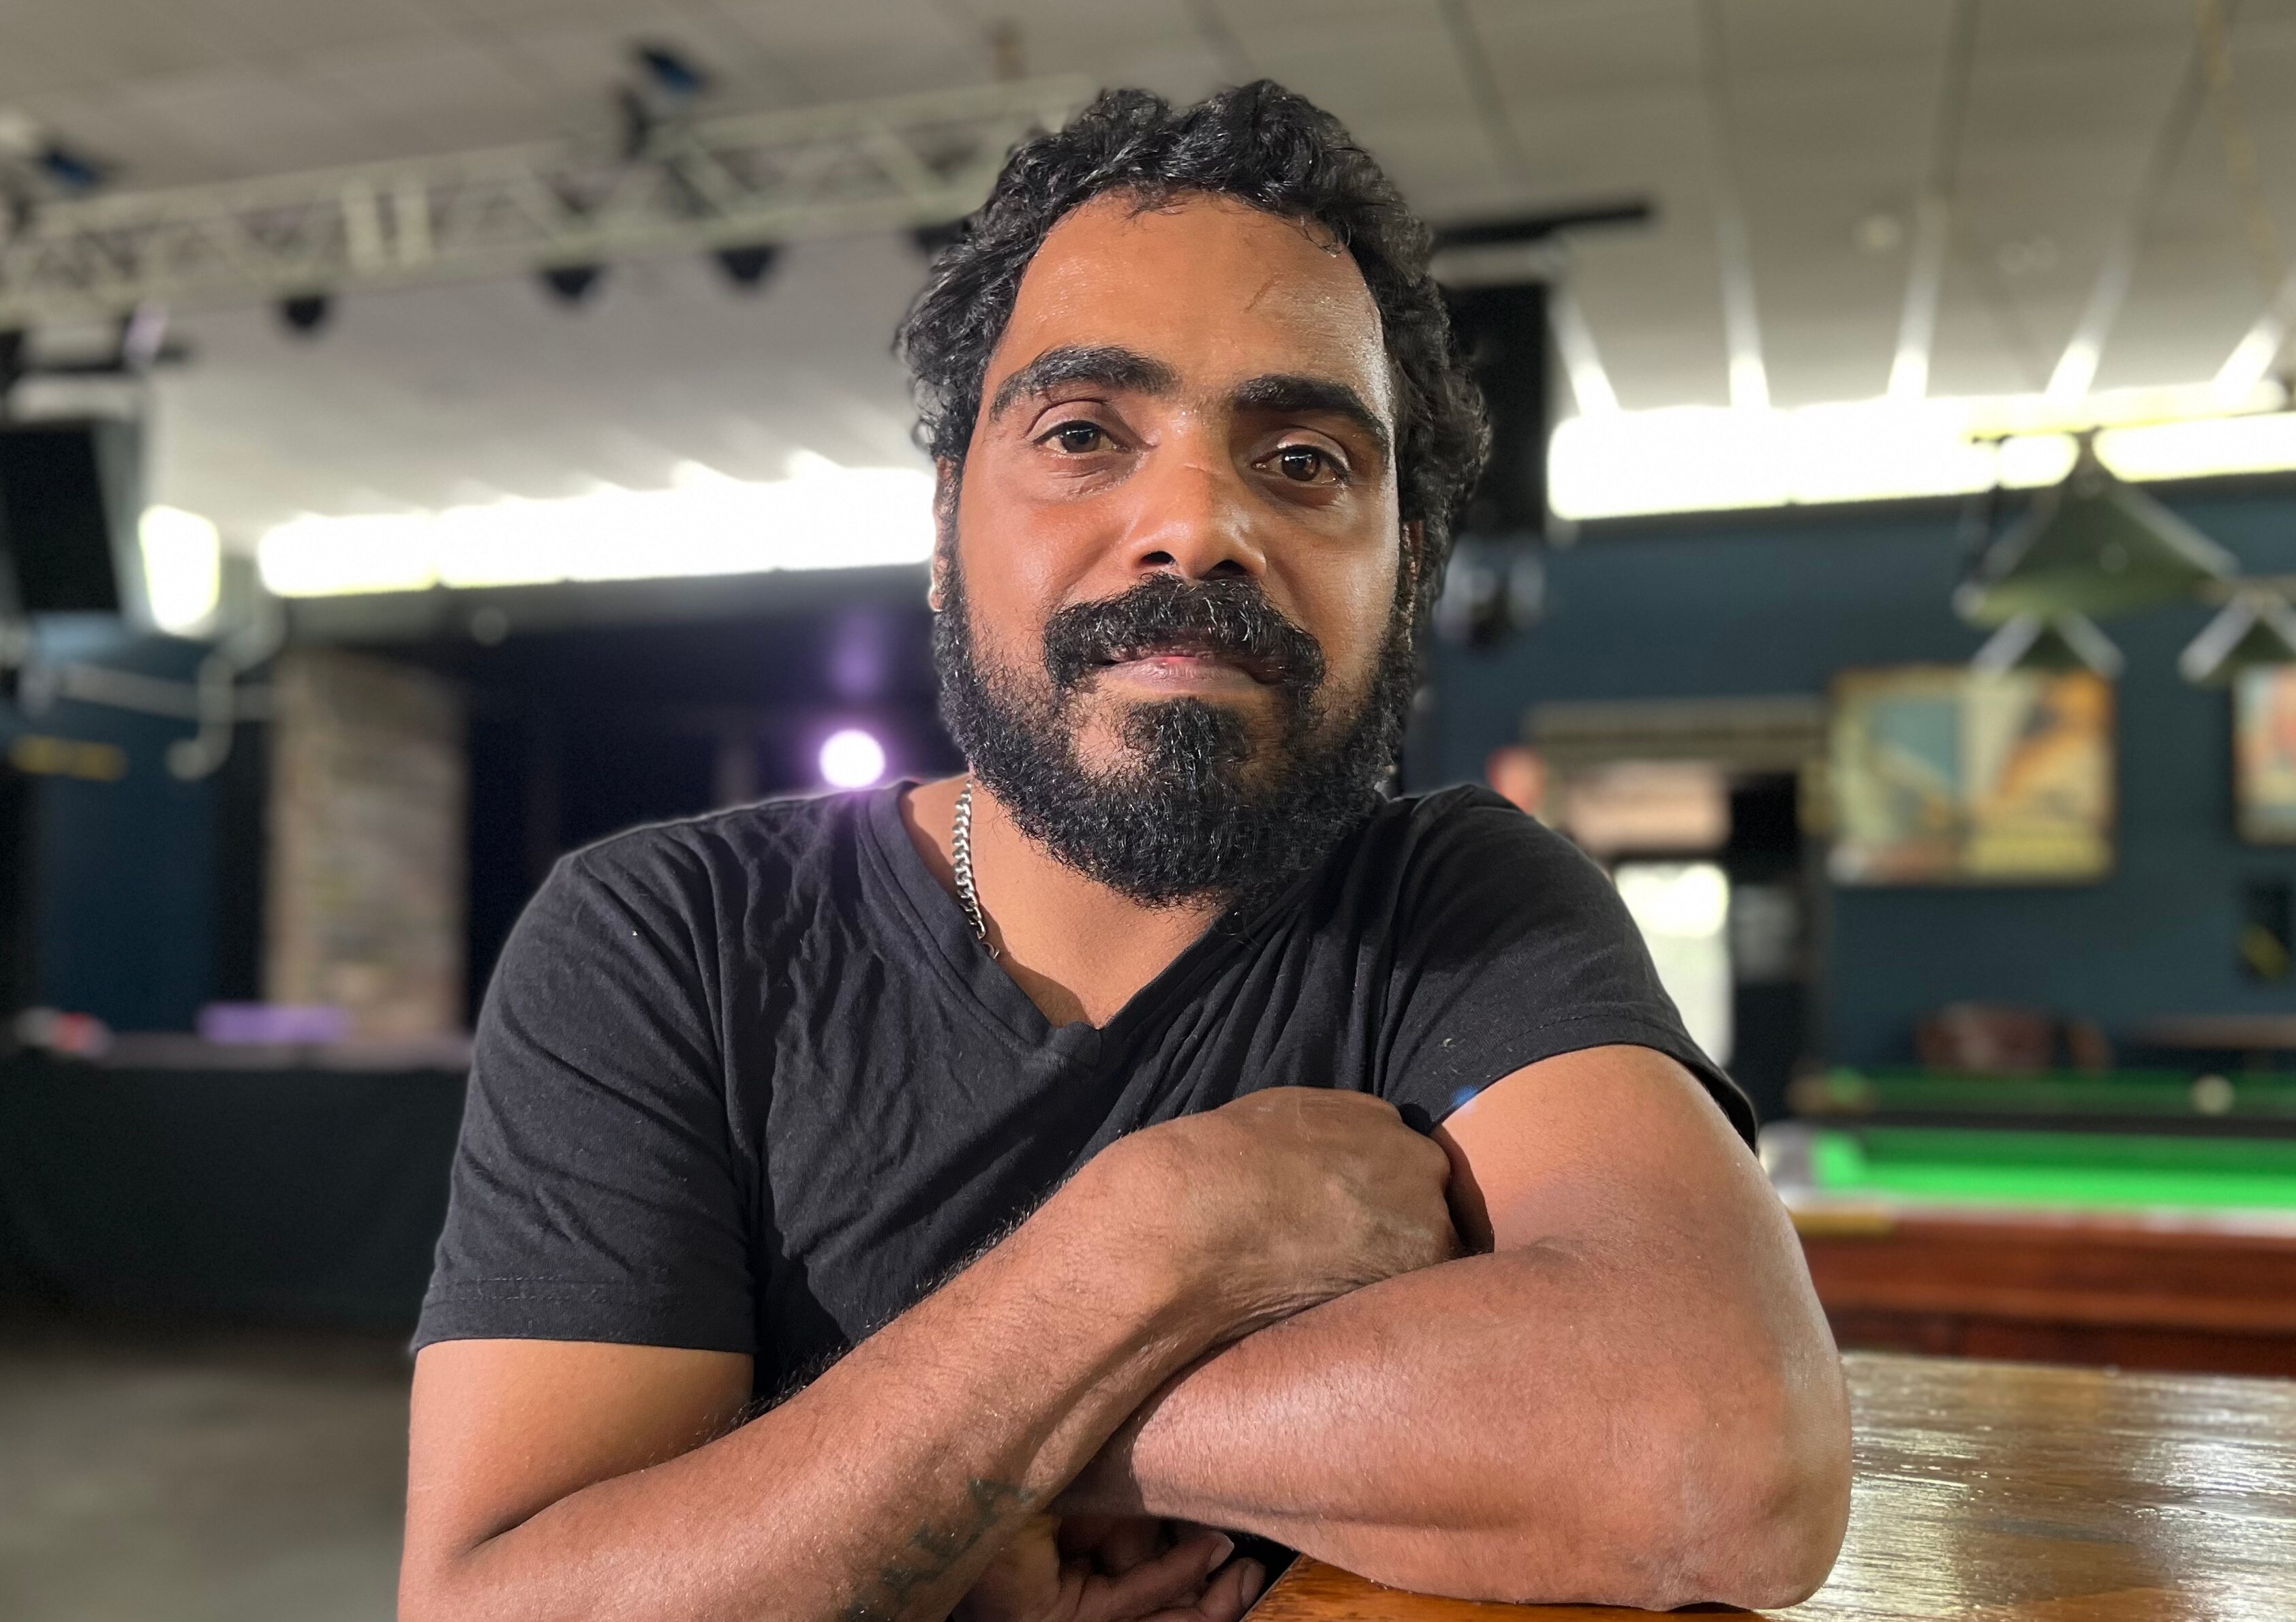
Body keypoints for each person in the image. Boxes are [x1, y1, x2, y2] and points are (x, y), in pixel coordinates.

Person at [398, 82, 1850, 1622]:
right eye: (1086, 434)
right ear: (945, 531)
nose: (1196, 522)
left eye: (1301, 459)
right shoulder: (666, 936)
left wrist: (1019, 1449)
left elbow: (1720, 1454)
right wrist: (1147, 1243)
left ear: (1401, 572)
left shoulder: (1458, 908)